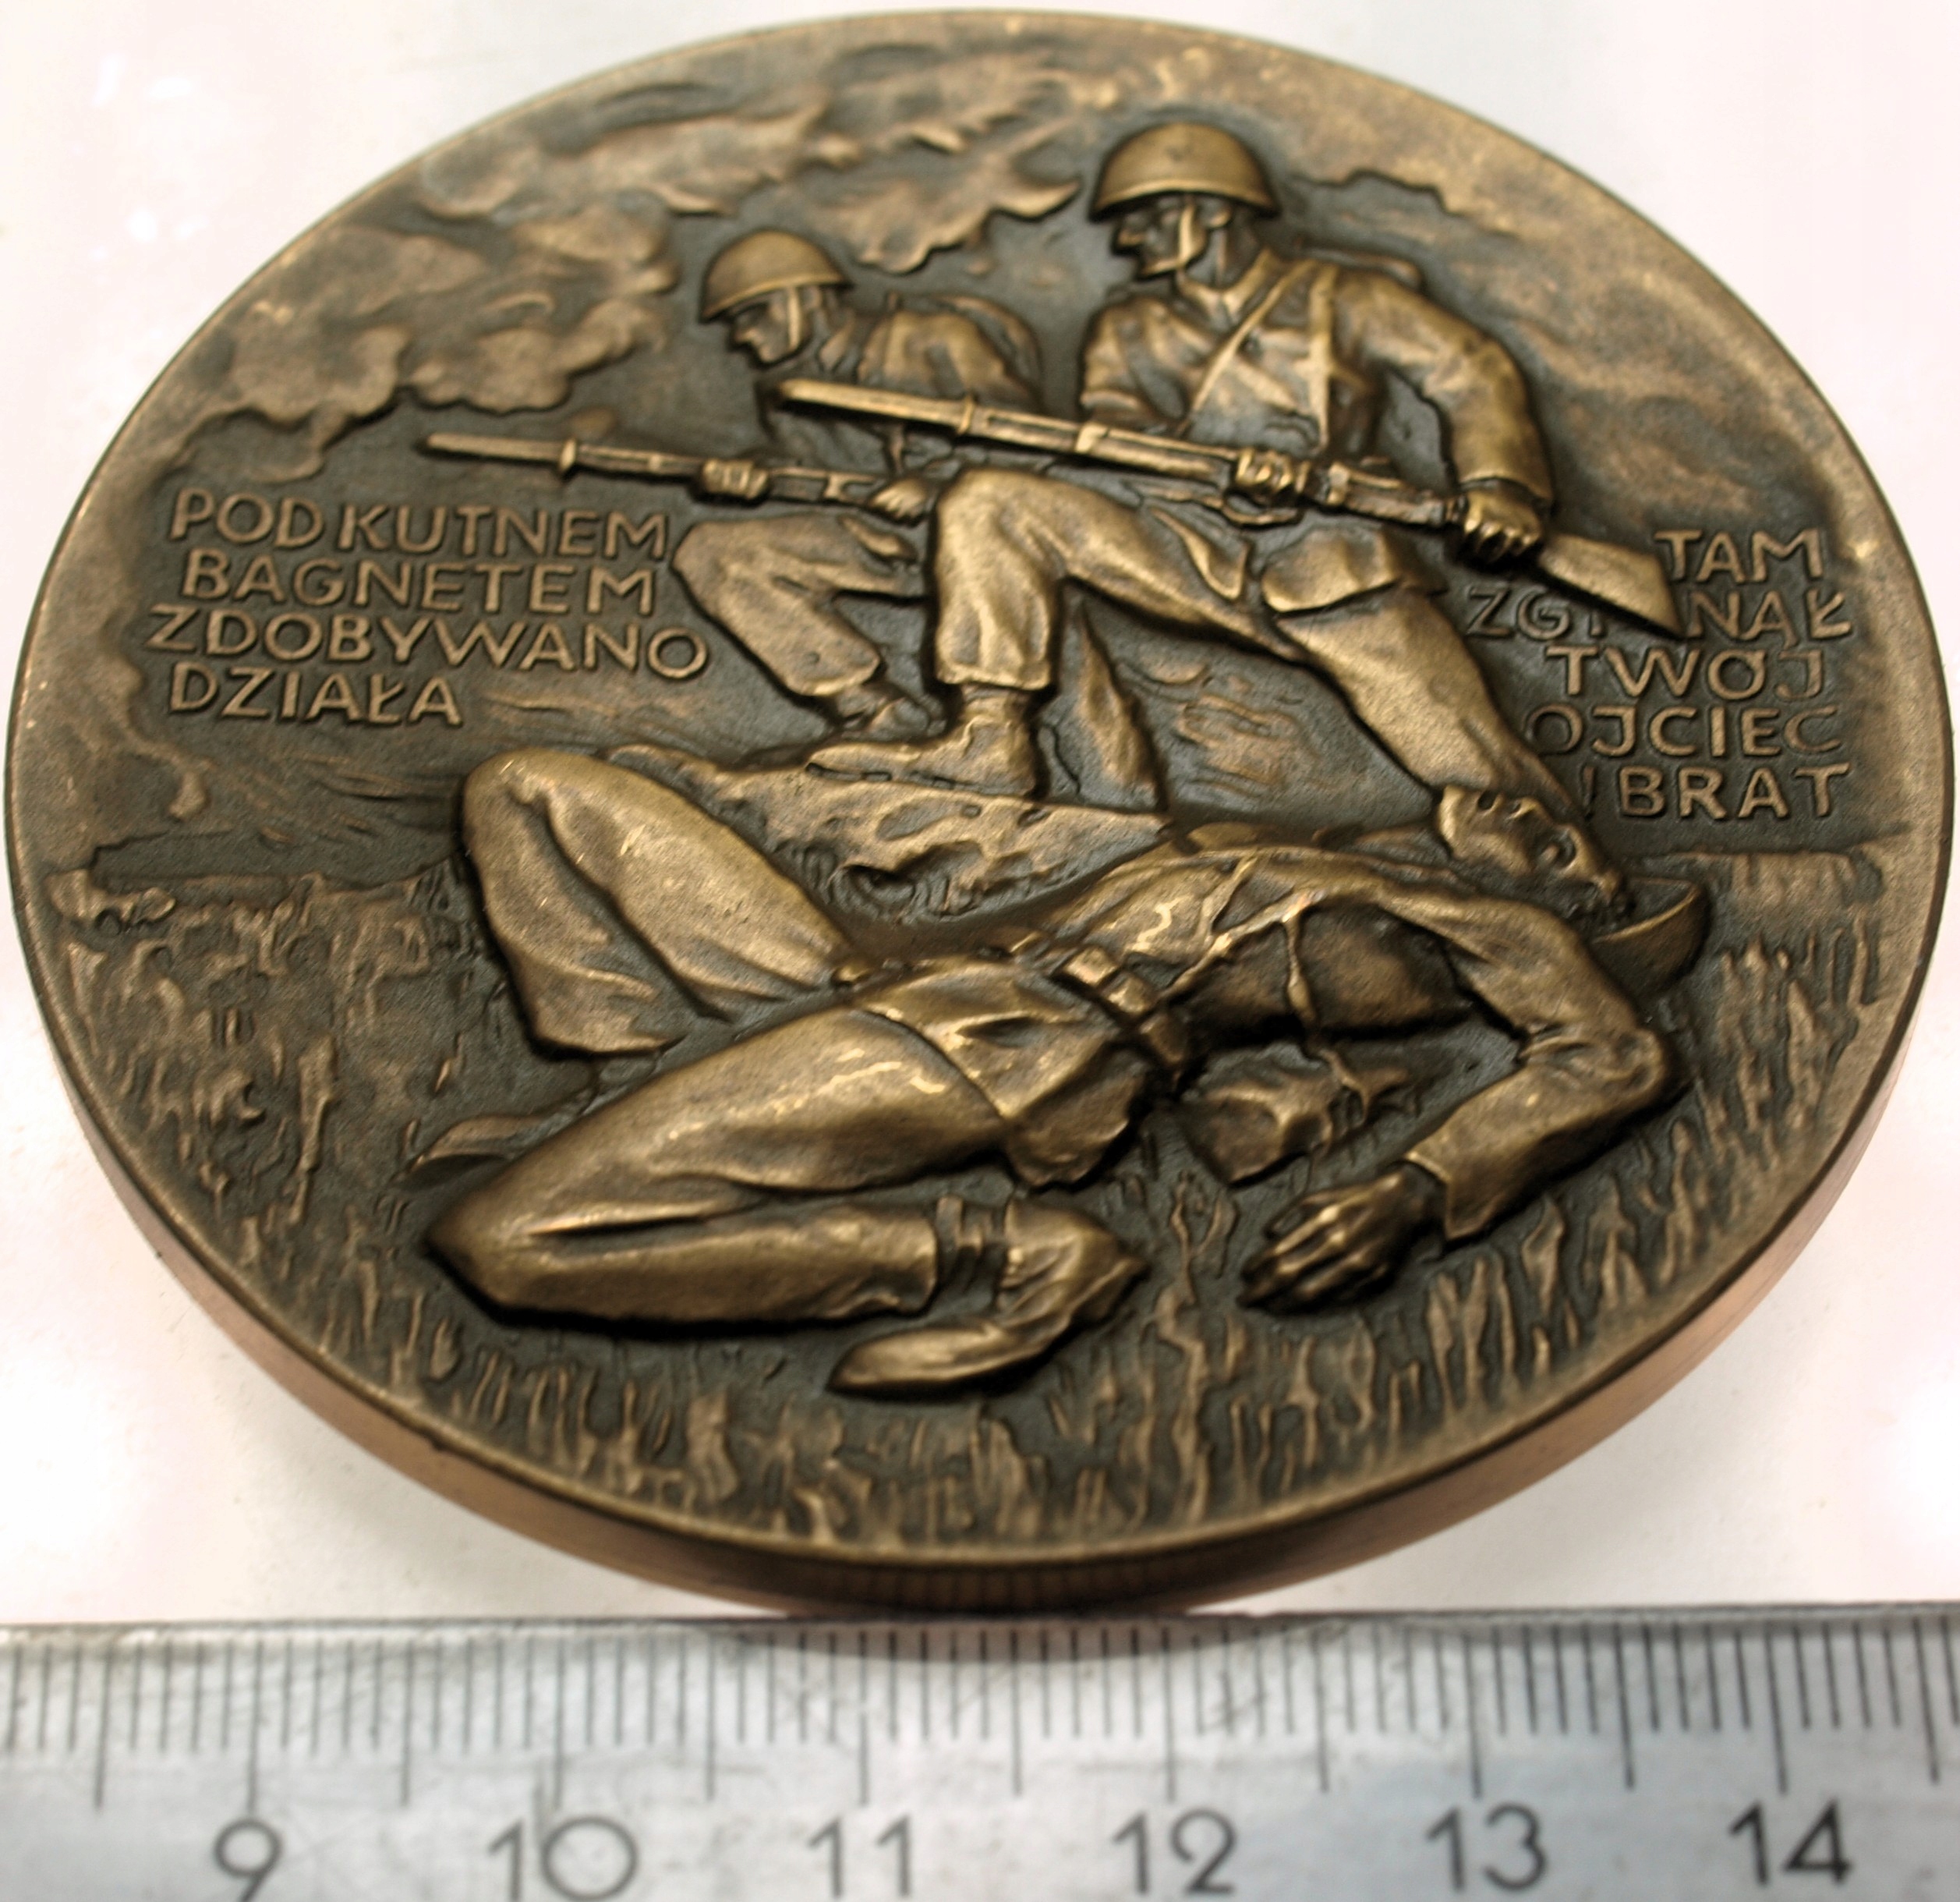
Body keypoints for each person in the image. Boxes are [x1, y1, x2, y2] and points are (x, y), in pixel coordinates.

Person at [430, 746, 1676, 1397]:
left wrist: (1408, 1193)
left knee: (503, 1241)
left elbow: (1612, 1055)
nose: (1540, 815)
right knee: (528, 788)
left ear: (1564, 907)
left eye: (1569, 853)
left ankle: (1008, 1251)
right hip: (873, 983)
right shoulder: (1318, 846)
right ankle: (636, 1076)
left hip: (1009, 1048)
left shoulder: (1493, 927)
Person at [808, 123, 1603, 887]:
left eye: (1147, 218)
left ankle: (1580, 878)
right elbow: (1117, 446)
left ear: (1214, 210)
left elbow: (1471, 370)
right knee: (990, 503)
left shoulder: (1346, 297)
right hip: (1180, 540)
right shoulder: (1128, 325)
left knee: (1469, 749)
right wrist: (1210, 469)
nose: (1129, 241)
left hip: (1326, 558)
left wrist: (1500, 485)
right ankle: (991, 737)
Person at [671, 229, 1038, 736]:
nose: (742, 337)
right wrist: (753, 475)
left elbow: (1028, 442)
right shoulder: (786, 389)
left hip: (985, 539)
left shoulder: (939, 338)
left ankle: (988, 728)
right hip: (882, 539)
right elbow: (811, 473)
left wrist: (938, 484)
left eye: (753, 315)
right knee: (711, 551)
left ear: (804, 298)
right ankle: (871, 707)